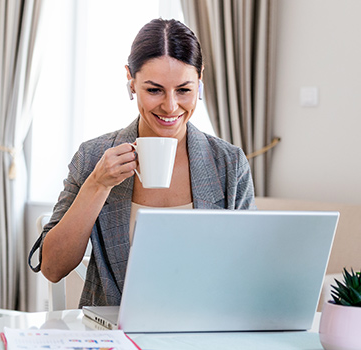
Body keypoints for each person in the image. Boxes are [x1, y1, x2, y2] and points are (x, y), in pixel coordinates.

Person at [29, 18, 256, 307]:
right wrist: (97, 185)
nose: (171, 106)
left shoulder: (228, 164)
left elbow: (249, 270)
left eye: (184, 90)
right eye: (154, 90)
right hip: (115, 335)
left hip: (202, 332)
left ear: (200, 79)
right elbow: (52, 268)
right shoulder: (93, 157)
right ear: (131, 80)